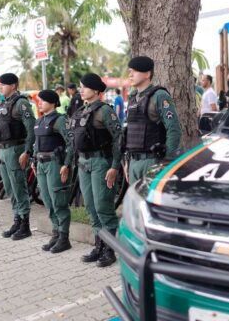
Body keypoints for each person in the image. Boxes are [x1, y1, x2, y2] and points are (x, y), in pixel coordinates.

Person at [69, 73, 122, 267]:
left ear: (96, 90)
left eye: (84, 87)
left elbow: (118, 139)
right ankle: (99, 244)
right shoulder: (81, 111)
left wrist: (115, 167)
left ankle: (110, 249)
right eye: (81, 86)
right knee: (91, 207)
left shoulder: (105, 111)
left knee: (103, 206)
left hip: (102, 163)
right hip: (84, 163)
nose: (81, 90)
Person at [125, 56, 182, 184]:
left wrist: (168, 162)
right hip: (134, 162)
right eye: (130, 71)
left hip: (153, 162)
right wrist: (128, 161)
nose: (130, 74)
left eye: (135, 71)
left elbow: (174, 130)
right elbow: (130, 132)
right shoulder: (133, 98)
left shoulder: (159, 96)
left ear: (147, 74)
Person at [0, 73, 36, 240]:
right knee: (10, 188)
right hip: (3, 150)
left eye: (3, 84)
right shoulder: (4, 104)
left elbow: (31, 129)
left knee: (19, 186)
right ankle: (17, 220)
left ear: (13, 86)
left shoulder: (21, 103)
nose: (0, 87)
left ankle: (25, 225)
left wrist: (27, 151)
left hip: (16, 150)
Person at [33, 89, 73, 253]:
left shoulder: (60, 120)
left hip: (55, 164)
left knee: (58, 201)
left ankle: (64, 238)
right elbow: (37, 142)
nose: (40, 103)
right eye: (39, 101)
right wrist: (34, 161)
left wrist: (67, 164)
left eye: (42, 100)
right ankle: (56, 233)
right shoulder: (40, 120)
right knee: (48, 201)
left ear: (52, 102)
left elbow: (71, 143)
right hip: (41, 164)